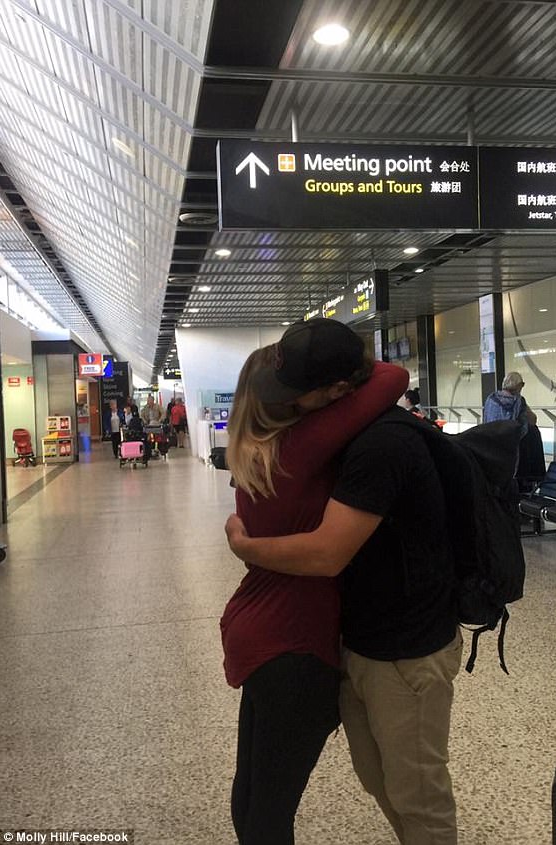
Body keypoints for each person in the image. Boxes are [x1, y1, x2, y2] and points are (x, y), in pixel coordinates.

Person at [225, 336, 462, 845]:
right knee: (282, 805)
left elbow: (328, 554)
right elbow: (393, 377)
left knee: (257, 797)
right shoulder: (302, 448)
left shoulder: (254, 453)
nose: (292, 397)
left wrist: (245, 547)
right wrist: (348, 365)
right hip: (299, 640)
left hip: (273, 634)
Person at [483, 371, 537, 437]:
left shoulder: (491, 399)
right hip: (510, 440)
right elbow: (532, 421)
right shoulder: (519, 401)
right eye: (522, 384)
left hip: (490, 438)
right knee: (534, 431)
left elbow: (485, 421)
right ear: (518, 385)